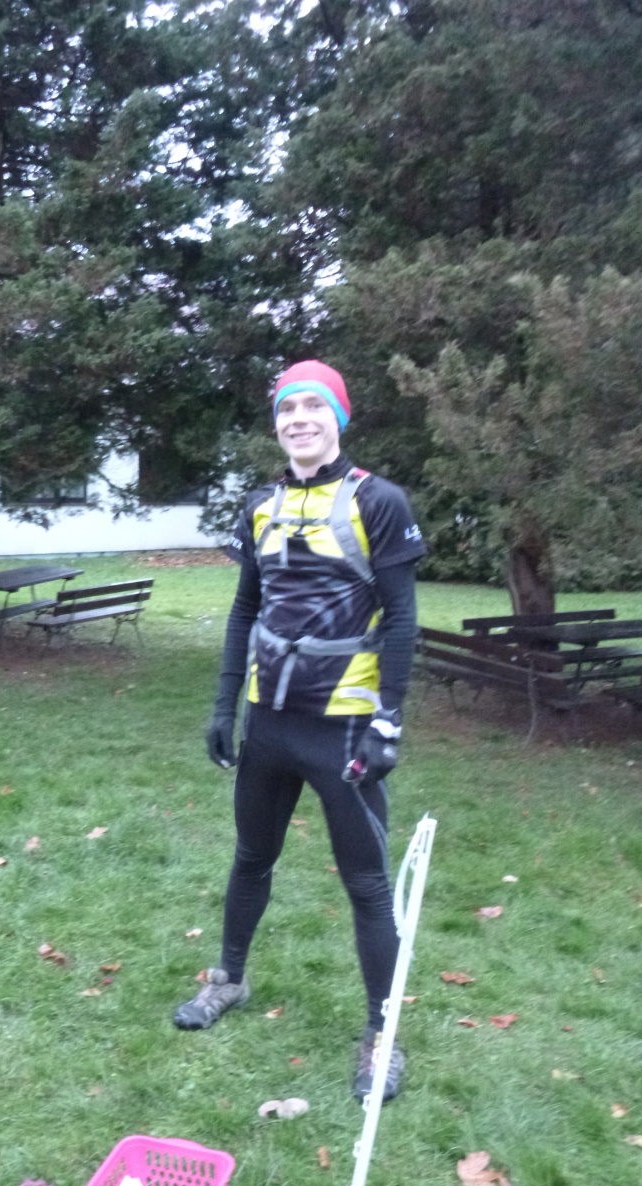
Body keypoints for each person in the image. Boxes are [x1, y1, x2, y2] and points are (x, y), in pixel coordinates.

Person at [172, 360, 426, 1102]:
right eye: (287, 408)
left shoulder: (378, 501)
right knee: (251, 857)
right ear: (277, 423)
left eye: (315, 406)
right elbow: (243, 610)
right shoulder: (261, 504)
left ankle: (381, 1035)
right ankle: (228, 978)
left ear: (338, 417)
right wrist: (224, 707)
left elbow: (403, 617)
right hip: (270, 723)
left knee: (366, 884)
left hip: (344, 728)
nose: (300, 419)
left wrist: (388, 719)